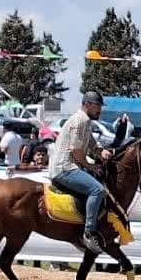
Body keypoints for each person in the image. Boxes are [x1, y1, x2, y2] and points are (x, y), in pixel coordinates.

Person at [48, 92, 114, 254]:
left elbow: (92, 145)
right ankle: (89, 233)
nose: (100, 110)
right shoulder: (81, 121)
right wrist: (91, 167)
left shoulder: (85, 122)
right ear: (88, 105)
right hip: (65, 168)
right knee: (97, 190)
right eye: (97, 106)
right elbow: (77, 153)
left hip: (70, 167)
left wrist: (101, 152)